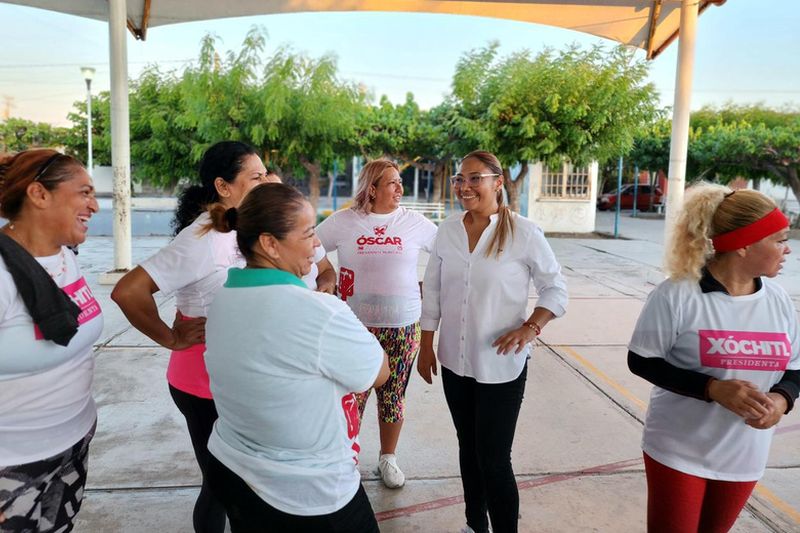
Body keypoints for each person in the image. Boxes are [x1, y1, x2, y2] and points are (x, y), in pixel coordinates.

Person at [202, 182, 390, 532]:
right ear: (270, 244)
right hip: (305, 492)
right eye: (307, 235)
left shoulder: (224, 296)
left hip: (231, 467)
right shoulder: (317, 311)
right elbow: (378, 372)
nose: (317, 244)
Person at [110, 141, 270, 533]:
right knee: (221, 486)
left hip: (232, 379)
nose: (265, 182)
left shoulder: (238, 227)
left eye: (266, 174)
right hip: (201, 385)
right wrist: (169, 336)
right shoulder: (199, 239)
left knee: (236, 482)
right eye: (256, 176)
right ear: (223, 186)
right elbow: (128, 291)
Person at [628, 184, 800, 533]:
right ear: (744, 245)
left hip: (745, 454)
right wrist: (712, 388)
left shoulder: (779, 300)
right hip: (679, 450)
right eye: (779, 239)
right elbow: (642, 360)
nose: (787, 250)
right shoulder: (677, 294)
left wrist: (781, 400)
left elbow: (796, 368)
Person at [418, 150, 567, 533]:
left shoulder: (524, 232)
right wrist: (426, 345)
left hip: (501, 366)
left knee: (495, 459)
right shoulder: (447, 232)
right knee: (468, 449)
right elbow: (433, 291)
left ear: (497, 182)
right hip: (454, 360)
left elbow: (555, 288)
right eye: (459, 179)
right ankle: (474, 524)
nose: (464, 186)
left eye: (474, 178)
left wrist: (531, 327)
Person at [316, 159, 438, 488]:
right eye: (393, 183)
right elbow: (308, 248)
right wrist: (326, 277)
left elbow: (447, 254)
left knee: (393, 396)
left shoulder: (414, 223)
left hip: (403, 326)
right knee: (353, 395)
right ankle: (344, 458)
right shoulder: (343, 222)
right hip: (354, 327)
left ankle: (388, 459)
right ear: (372, 189)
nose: (401, 189)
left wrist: (430, 286)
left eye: (400, 183)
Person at [0, 149, 102, 531]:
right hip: (12, 464)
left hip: (70, 446)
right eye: (84, 192)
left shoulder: (64, 257)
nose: (94, 205)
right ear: (39, 194)